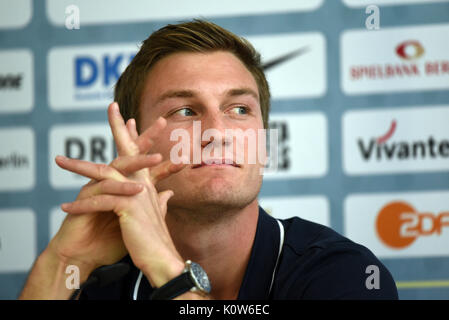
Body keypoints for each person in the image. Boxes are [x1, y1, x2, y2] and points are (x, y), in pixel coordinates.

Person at [19, 19, 398, 300]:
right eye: (185, 111)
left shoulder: (344, 273)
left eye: (238, 109)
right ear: (132, 144)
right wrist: (64, 259)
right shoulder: (101, 287)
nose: (217, 132)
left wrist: (167, 269)